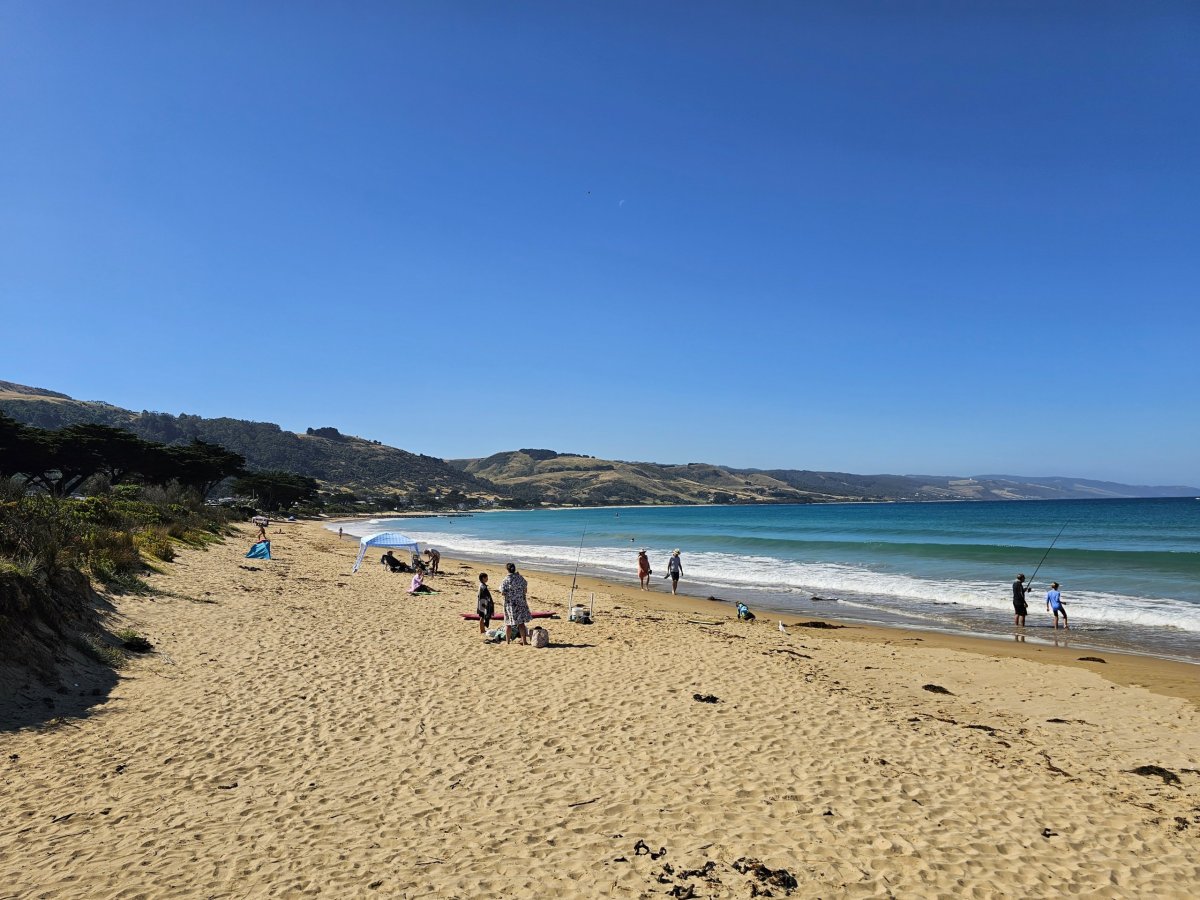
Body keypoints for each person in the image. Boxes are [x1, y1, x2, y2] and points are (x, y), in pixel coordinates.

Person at [499, 562, 532, 645]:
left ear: (507, 569)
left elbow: (502, 592)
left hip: (510, 604)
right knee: (521, 623)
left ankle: (508, 642)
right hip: (520, 603)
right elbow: (525, 589)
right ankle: (524, 641)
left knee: (508, 623)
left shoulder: (506, 580)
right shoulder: (520, 578)